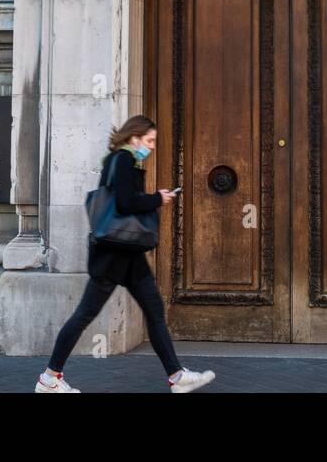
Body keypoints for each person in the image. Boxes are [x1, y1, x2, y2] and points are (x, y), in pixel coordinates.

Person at [37, 115, 216, 394]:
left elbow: (126, 199)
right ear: (134, 138)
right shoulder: (121, 160)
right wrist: (158, 198)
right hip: (112, 257)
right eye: (150, 140)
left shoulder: (125, 161)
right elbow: (125, 201)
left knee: (154, 310)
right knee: (84, 315)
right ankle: (49, 379)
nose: (152, 146)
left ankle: (176, 376)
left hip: (127, 256)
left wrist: (155, 197)